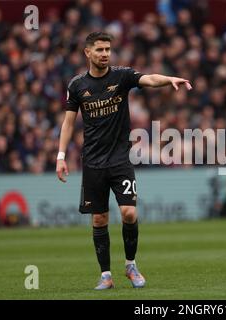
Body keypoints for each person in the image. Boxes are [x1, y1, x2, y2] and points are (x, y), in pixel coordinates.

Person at [56, 32, 192, 290]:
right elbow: (68, 123)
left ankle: (130, 264)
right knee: (99, 220)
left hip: (120, 159)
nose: (105, 53)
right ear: (88, 53)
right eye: (99, 50)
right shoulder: (76, 85)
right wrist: (61, 156)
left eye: (108, 49)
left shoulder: (121, 76)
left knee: (129, 213)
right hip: (93, 162)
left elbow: (148, 78)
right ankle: (106, 275)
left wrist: (169, 79)